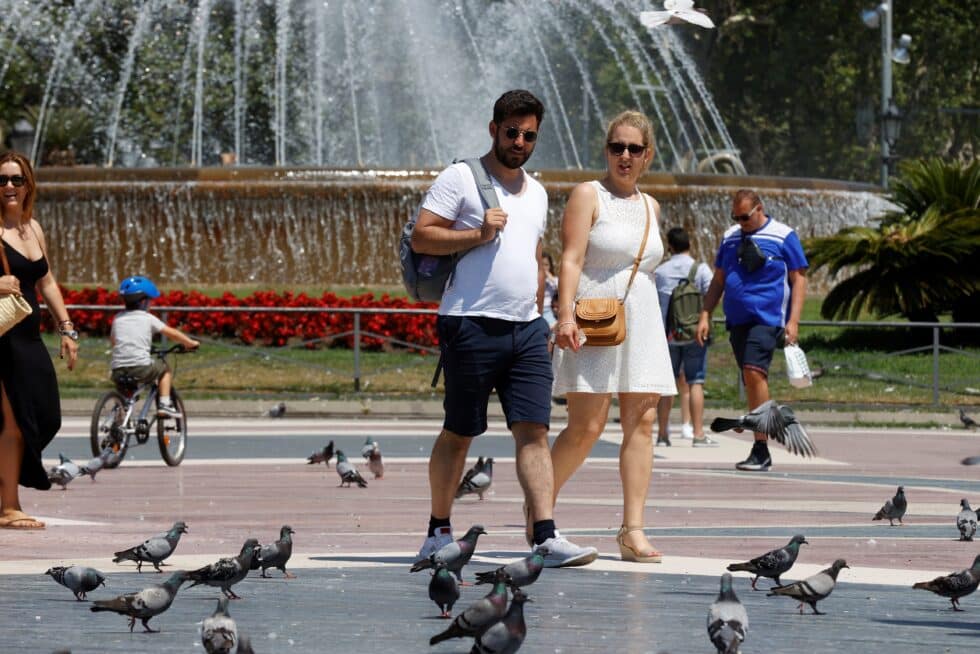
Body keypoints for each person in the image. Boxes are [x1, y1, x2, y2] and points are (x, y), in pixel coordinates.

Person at [411, 89, 597, 568]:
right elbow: (422, 234)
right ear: (493, 129)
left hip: (526, 329)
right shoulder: (460, 177)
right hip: (469, 322)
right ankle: (438, 531)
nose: (519, 141)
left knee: (534, 431)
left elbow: (535, 255)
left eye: (529, 135)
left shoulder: (536, 191)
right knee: (460, 430)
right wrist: (477, 233)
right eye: (511, 132)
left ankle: (545, 535)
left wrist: (549, 314)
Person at [550, 110, 676, 563]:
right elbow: (570, 258)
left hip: (641, 319)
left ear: (648, 155)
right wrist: (564, 317)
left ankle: (633, 530)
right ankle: (539, 509)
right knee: (586, 427)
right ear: (606, 150)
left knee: (642, 423)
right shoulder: (588, 194)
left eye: (634, 149)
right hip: (596, 316)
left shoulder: (651, 206)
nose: (624, 155)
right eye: (616, 147)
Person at [695, 189, 808, 471]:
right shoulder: (731, 237)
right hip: (738, 320)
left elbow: (799, 279)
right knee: (751, 378)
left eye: (745, 217)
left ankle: (761, 448)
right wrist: (705, 314)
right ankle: (762, 441)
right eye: (736, 217)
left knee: (753, 372)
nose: (740, 222)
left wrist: (793, 321)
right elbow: (718, 280)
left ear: (760, 208)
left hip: (767, 318)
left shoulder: (783, 235)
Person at [0, 151, 78, 530]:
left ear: (29, 184)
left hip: (29, 337)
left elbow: (46, 280)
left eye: (16, 179)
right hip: (2, 338)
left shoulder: (33, 228)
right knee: (12, 423)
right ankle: (8, 506)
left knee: (46, 415)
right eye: (2, 180)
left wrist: (66, 328)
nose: (9, 186)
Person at [654, 227, 716, 447]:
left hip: (667, 336)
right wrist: (704, 320)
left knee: (666, 385)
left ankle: (662, 434)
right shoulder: (700, 270)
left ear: (669, 246)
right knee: (695, 381)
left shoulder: (660, 271)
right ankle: (698, 434)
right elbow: (713, 295)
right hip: (695, 334)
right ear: (690, 244)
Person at [110, 275, 200, 417]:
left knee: (123, 400)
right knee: (164, 370)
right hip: (140, 367)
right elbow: (172, 333)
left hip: (118, 369)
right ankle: (164, 404)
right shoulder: (147, 318)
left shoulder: (118, 319)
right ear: (144, 302)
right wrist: (190, 343)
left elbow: (114, 341)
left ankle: (117, 433)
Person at [539, 251, 559, 327]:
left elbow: (562, 290)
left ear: (550, 266)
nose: (544, 267)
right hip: (534, 310)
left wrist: (550, 278)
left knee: (553, 327)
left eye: (546, 265)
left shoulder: (554, 280)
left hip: (547, 310)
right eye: (541, 265)